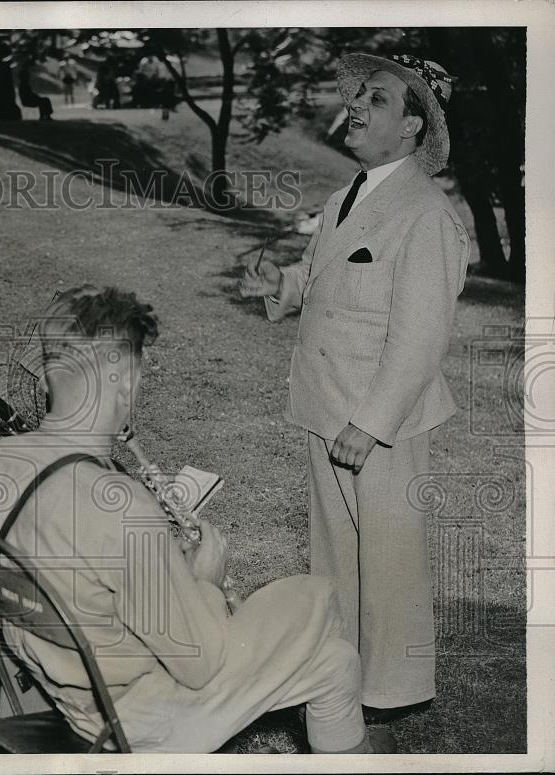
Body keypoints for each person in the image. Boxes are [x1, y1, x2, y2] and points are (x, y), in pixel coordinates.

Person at [0, 285, 395, 753]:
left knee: (335, 663)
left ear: (47, 377)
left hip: (59, 691)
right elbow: (198, 663)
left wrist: (162, 568)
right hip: (138, 720)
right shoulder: (118, 504)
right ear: (121, 378)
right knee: (316, 596)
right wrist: (204, 579)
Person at [240, 53, 469, 723]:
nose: (358, 106)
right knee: (337, 550)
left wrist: (370, 423)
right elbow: (321, 279)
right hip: (325, 400)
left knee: (389, 552)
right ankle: (344, 674)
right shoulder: (348, 195)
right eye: (360, 95)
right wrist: (278, 288)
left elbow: (421, 337)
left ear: (412, 130)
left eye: (379, 99)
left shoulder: (425, 212)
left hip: (380, 417)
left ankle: (394, 692)